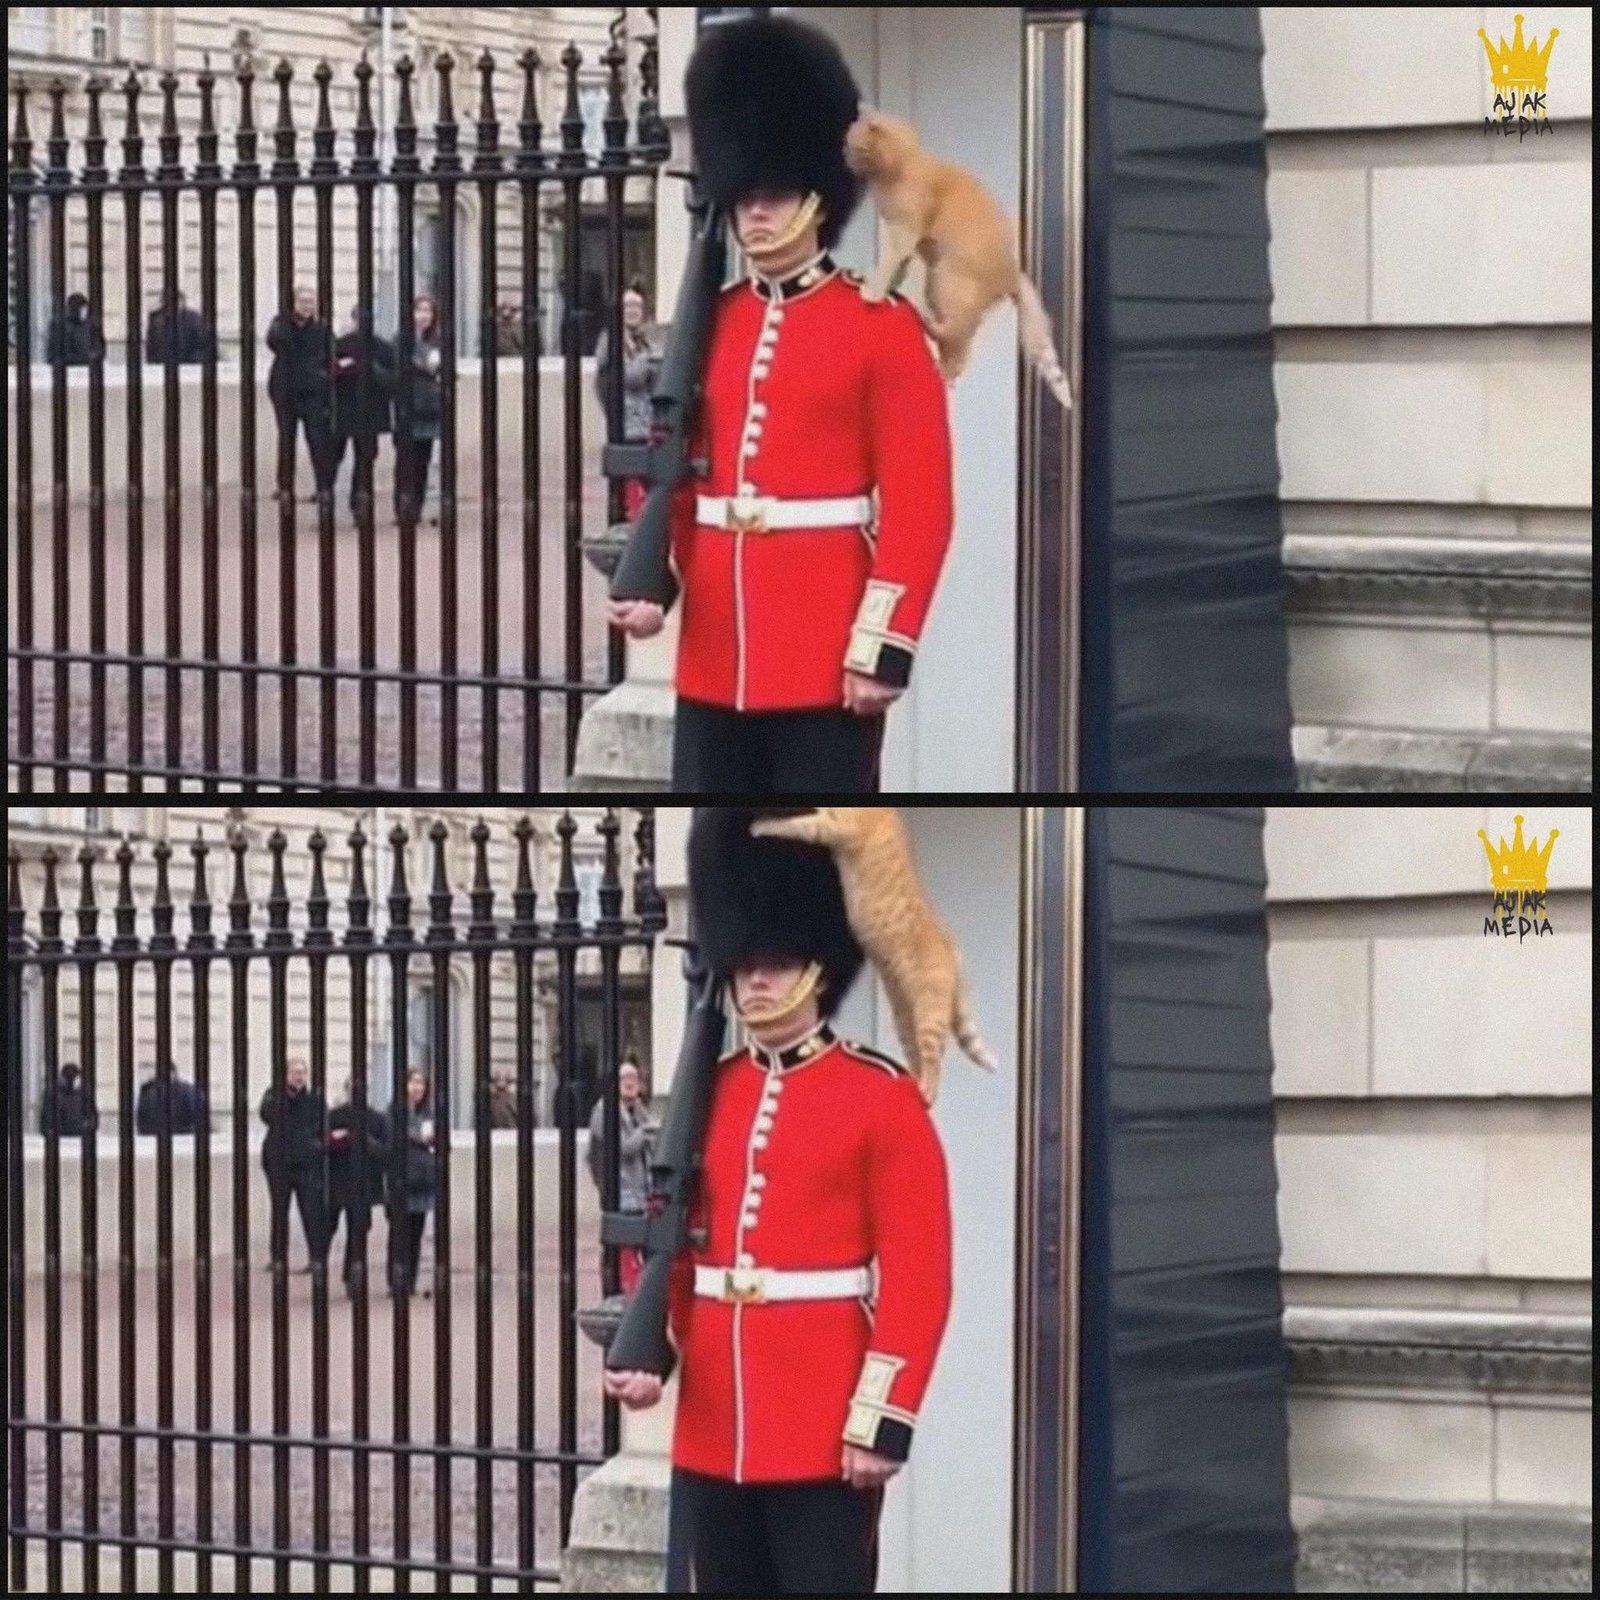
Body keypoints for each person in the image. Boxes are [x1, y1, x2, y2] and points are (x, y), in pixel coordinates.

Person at [604, 809, 954, 1595]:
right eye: (745, 963)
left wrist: (880, 1417)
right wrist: (653, 1350)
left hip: (822, 1423)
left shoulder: (881, 1097)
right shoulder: (709, 1094)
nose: (756, 979)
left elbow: (919, 1277)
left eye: (777, 961)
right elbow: (677, 1243)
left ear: (818, 970)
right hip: (713, 1425)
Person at [607, 14, 954, 797]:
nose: (756, 213)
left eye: (775, 195)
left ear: (817, 199)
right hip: (713, 656)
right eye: (745, 197)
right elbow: (680, 471)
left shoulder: (880, 325)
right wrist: (655, 580)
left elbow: (920, 505)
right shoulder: (711, 323)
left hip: (823, 654)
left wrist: (883, 643)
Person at [585, 1057, 657, 1295]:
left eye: (634, 1078)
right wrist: (644, 1132)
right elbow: (623, 1148)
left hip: (641, 1191)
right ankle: (616, 1292)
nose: (630, 1083)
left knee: (638, 1246)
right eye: (625, 1078)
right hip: (619, 1190)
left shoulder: (638, 1110)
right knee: (619, 1245)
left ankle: (634, 1291)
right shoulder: (604, 1111)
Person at [594, 281, 664, 521]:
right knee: (629, 478)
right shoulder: (611, 341)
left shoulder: (642, 341)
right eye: (629, 306)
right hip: (625, 421)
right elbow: (630, 377)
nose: (634, 311)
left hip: (646, 421)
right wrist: (650, 361)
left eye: (638, 306)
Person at [266, 284, 338, 502]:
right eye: (302, 301)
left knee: (317, 440)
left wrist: (323, 379)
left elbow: (331, 355)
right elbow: (273, 341)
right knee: (286, 439)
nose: (307, 306)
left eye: (310, 302)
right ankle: (285, 486)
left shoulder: (322, 329)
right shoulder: (281, 325)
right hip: (285, 390)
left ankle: (323, 487)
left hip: (313, 392)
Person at [258, 1056, 329, 1273]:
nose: (299, 1077)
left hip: (307, 1164)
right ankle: (278, 1258)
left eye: (302, 1072)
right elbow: (266, 1115)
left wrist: (315, 1147)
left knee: (311, 1212)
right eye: (295, 1072)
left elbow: (324, 1125)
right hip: (279, 1163)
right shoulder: (274, 1096)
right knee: (279, 1211)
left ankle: (316, 1258)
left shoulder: (315, 1100)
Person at [325, 1075, 390, 1296]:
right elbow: (322, 1143)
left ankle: (353, 1276)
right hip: (336, 1180)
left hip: (364, 1182)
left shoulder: (377, 1119)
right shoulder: (334, 1115)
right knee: (326, 1229)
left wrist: (366, 1141)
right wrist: (338, 1140)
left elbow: (385, 1152)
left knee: (359, 1231)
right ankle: (320, 1270)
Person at [331, 305, 396, 521]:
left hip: (370, 410)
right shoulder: (341, 344)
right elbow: (328, 371)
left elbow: (393, 379)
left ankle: (360, 503)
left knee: (365, 459)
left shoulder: (382, 347)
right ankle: (327, 497)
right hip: (344, 407)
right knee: (333, 456)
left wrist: (372, 369)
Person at [388, 1068, 439, 1296]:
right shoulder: (395, 1110)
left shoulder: (429, 1113)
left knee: (416, 1232)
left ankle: (410, 1280)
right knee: (399, 1232)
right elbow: (393, 1136)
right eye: (413, 1082)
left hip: (424, 1176)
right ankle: (396, 1279)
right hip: (402, 1176)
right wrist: (417, 1138)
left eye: (421, 1083)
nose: (417, 1088)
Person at [394, 293, 443, 527]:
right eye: (419, 310)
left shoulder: (438, 340)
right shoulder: (401, 339)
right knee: (405, 459)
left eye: (427, 311)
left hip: (430, 405)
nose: (423, 316)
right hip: (407, 404)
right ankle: (403, 507)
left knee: (423, 458)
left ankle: (417, 507)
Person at [145, 290, 217, 365]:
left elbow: (205, 344)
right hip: (163, 363)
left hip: (189, 363)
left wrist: (192, 362)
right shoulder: (156, 318)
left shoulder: (194, 318)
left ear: (182, 302)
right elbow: (151, 345)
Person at [135, 1061, 205, 1136]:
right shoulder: (190, 1090)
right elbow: (200, 1118)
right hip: (184, 1135)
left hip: (152, 1136)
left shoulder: (146, 1092)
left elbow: (141, 1122)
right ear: (174, 1072)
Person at [45, 293, 103, 367]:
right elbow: (59, 352)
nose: (84, 312)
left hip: (86, 364)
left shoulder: (88, 324)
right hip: (67, 365)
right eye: (82, 309)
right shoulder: (60, 324)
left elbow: (98, 345)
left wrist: (95, 356)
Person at [39, 1061, 94, 1138]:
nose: (70, 1081)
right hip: (64, 1132)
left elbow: (91, 1112)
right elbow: (46, 1112)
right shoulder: (53, 1091)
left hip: (73, 1132)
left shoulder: (84, 1091)